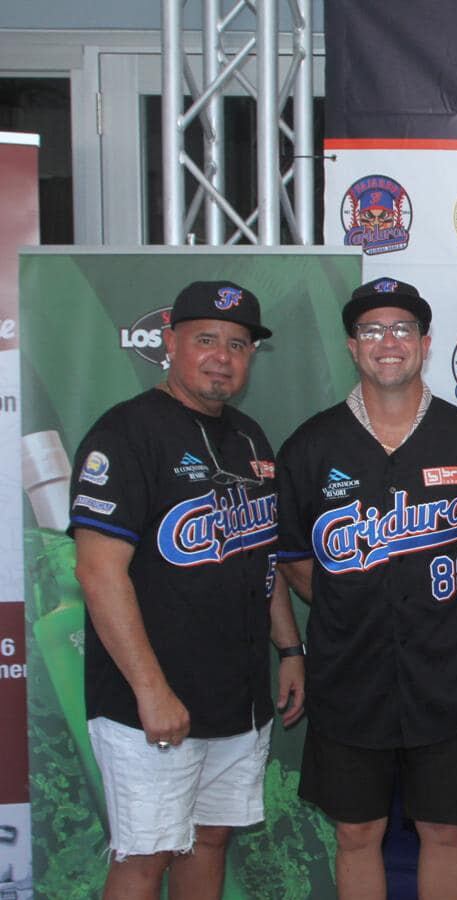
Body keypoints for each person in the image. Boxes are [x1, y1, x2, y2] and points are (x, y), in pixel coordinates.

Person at [274, 278, 457, 900]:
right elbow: (298, 562)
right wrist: (350, 604)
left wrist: (449, 604)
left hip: (448, 678)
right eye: (373, 330)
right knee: (358, 832)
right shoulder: (311, 445)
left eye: (403, 329)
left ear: (425, 344)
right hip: (350, 678)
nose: (389, 342)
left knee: (444, 831)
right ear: (353, 347)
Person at [69, 280, 304, 900]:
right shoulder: (125, 434)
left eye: (238, 343)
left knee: (210, 840)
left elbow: (264, 557)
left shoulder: (251, 438)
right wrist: (151, 691)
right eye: (206, 339)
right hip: (151, 702)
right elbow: (97, 571)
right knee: (145, 857)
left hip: (237, 698)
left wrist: (290, 649)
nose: (222, 356)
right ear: (169, 342)